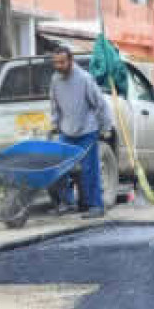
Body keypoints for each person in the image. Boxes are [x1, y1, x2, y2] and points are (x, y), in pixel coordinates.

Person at [49, 45, 112, 219]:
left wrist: (106, 126)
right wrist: (54, 123)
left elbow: (99, 103)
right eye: (56, 63)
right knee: (59, 167)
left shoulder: (84, 78)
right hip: (66, 131)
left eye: (62, 62)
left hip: (87, 131)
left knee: (89, 170)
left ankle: (96, 206)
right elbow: (54, 104)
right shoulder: (55, 80)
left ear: (71, 61)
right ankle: (68, 202)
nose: (59, 66)